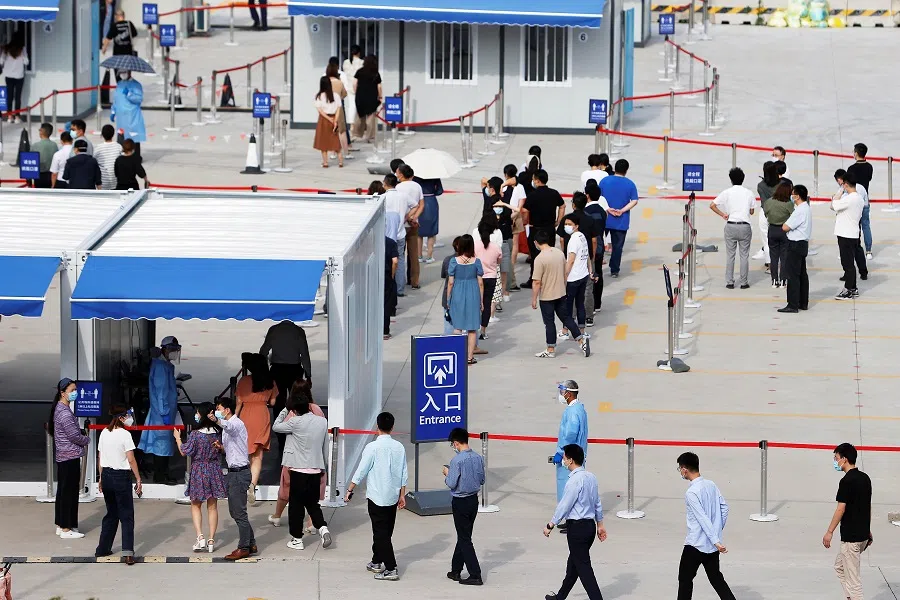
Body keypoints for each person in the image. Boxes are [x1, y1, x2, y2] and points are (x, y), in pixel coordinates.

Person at [344, 412, 408, 581]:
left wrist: (350, 489)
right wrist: (402, 495)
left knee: (380, 534)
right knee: (385, 531)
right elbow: (404, 473)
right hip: (393, 496)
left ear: (377, 427)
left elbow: (361, 470)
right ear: (392, 427)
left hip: (376, 496)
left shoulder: (372, 447)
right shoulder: (399, 447)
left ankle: (391, 568)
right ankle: (376, 561)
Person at [543, 443, 607, 600]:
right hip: (589, 527)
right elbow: (597, 502)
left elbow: (565, 505)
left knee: (583, 567)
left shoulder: (573, 481)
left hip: (577, 529)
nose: (563, 461)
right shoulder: (591, 477)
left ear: (571, 460)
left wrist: (550, 524)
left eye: (565, 458)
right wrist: (600, 525)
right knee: (573, 565)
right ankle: (560, 597)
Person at [272, 396, 332, 551]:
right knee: (313, 504)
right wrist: (323, 467)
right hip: (315, 469)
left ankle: (297, 539)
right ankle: (323, 528)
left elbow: (276, 427)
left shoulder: (294, 421)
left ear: (295, 409)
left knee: (296, 507)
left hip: (298, 470)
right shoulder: (322, 422)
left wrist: (285, 409)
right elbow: (325, 446)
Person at [676, 452, 736, 600]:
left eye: (680, 469)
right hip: (712, 546)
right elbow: (724, 508)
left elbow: (702, 518)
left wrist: (715, 539)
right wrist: (716, 535)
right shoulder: (711, 484)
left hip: (695, 544)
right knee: (716, 579)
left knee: (685, 580)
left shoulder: (691, 492)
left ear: (684, 469)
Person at [267, 382, 327, 529]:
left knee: (286, 490)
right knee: (313, 496)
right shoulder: (318, 411)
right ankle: (312, 523)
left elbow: (278, 427)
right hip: (314, 460)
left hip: (294, 460)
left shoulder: (293, 413)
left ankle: (278, 516)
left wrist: (286, 409)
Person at [174, 401, 226, 554]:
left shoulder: (195, 435)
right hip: (214, 469)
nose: (196, 415)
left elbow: (185, 451)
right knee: (213, 506)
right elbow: (223, 449)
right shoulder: (218, 432)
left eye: (197, 412)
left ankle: (200, 537)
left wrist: (178, 438)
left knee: (196, 505)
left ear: (202, 414)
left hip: (198, 470)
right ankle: (211, 540)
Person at [209, 397, 258, 560]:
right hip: (233, 472)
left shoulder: (235, 423)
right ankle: (250, 542)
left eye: (219, 408)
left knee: (239, 512)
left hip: (239, 473)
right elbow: (233, 447)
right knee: (236, 511)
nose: (218, 411)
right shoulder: (230, 426)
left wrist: (216, 420)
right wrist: (221, 448)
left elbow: (228, 426)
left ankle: (243, 547)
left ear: (227, 410)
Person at [531, 229, 590, 359]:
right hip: (561, 293)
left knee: (549, 323)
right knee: (567, 318)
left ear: (536, 242)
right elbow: (565, 271)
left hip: (547, 296)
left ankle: (550, 349)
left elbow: (536, 282)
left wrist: (534, 299)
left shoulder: (539, 259)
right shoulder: (559, 253)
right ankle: (581, 341)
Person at [824, 443, 872, 600]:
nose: (835, 461)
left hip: (851, 539)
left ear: (844, 459)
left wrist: (829, 532)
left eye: (836, 458)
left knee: (853, 581)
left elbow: (840, 509)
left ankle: (854, 597)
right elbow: (867, 506)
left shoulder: (846, 482)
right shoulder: (865, 479)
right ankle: (850, 597)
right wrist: (868, 529)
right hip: (863, 536)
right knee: (840, 567)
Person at [95, 404, 140, 565]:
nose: (129, 419)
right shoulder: (125, 435)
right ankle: (128, 552)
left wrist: (101, 477)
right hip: (121, 477)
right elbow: (131, 459)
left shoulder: (104, 433)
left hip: (106, 475)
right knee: (126, 515)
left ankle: (103, 548)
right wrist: (138, 479)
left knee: (111, 514)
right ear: (121, 418)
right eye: (127, 416)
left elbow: (100, 458)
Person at [260, 320, 312, 458]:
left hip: (277, 369)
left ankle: (280, 433)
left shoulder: (274, 329)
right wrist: (308, 375)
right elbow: (305, 354)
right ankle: (297, 428)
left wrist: (263, 370)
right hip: (294, 369)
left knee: (278, 401)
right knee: (297, 400)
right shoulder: (298, 331)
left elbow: (263, 351)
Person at [49, 378, 89, 539]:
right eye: (72, 390)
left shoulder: (61, 408)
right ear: (63, 393)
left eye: (75, 390)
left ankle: (62, 524)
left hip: (64, 456)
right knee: (69, 493)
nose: (75, 393)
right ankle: (66, 528)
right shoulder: (64, 412)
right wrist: (87, 439)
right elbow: (74, 436)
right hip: (69, 456)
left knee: (64, 491)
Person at [444, 427, 485, 586]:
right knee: (464, 535)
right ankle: (455, 569)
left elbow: (451, 483)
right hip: (473, 501)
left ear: (455, 443)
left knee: (465, 538)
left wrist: (447, 473)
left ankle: (475, 573)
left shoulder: (456, 461)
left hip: (460, 501)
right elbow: (482, 480)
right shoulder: (477, 458)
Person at [138, 335, 180, 484]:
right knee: (162, 445)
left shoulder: (165, 365)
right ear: (166, 349)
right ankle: (160, 475)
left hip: (166, 411)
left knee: (165, 444)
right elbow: (161, 393)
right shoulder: (161, 367)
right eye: (173, 349)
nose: (175, 352)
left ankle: (164, 473)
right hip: (162, 413)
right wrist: (164, 412)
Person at [236, 353, 278, 503]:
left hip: (246, 414)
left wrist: (233, 420)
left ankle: (244, 480)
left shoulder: (243, 381)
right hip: (262, 415)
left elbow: (239, 402)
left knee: (245, 450)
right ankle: (253, 484)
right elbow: (273, 402)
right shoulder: (270, 381)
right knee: (258, 454)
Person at [710, 168, 756, 289]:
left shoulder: (726, 192)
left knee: (730, 255)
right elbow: (751, 211)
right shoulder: (749, 193)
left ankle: (730, 282)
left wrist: (723, 214)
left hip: (731, 225)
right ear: (743, 178)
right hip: (745, 226)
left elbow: (712, 205)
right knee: (744, 255)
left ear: (731, 179)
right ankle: (744, 282)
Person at [552, 380, 589, 534]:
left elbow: (571, 434)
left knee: (570, 489)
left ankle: (574, 522)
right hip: (574, 454)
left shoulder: (573, 412)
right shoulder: (578, 409)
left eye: (562, 390)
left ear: (569, 392)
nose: (561, 394)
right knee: (570, 488)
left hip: (570, 456)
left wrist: (562, 452)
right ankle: (569, 520)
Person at [557, 201, 596, 332]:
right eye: (566, 224)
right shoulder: (582, 237)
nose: (567, 226)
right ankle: (582, 330)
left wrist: (564, 276)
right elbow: (588, 256)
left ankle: (565, 330)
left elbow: (571, 261)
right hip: (583, 276)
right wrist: (590, 272)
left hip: (573, 278)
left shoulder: (573, 240)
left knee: (567, 305)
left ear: (576, 226)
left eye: (570, 224)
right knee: (580, 304)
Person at [521, 169, 565, 286]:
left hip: (536, 229)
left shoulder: (532, 195)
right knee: (549, 254)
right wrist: (558, 221)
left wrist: (525, 222)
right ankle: (548, 279)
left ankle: (534, 279)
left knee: (536, 256)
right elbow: (562, 206)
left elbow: (525, 210)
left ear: (537, 180)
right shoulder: (554, 193)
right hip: (550, 229)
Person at [446, 234, 484, 364]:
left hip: (458, 293)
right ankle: (469, 357)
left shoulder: (453, 261)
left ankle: (457, 354)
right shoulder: (477, 262)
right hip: (473, 292)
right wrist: (482, 300)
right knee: (472, 328)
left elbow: (450, 283)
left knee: (458, 326)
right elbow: (480, 283)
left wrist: (448, 299)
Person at [598, 159, 639, 278]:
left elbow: (599, 198)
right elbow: (634, 200)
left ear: (615, 168)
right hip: (621, 219)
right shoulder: (630, 184)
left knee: (599, 243)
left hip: (605, 217)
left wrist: (608, 209)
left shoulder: (604, 181)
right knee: (617, 247)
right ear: (626, 170)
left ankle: (597, 266)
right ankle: (614, 270)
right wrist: (622, 210)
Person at [383, 173, 421, 297]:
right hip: (400, 233)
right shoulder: (403, 196)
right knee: (400, 260)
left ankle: (388, 286)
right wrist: (407, 216)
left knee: (387, 262)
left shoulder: (383, 198)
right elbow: (416, 205)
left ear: (385, 184)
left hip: (387, 235)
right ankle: (399, 289)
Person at [832, 174, 867, 300]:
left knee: (847, 264)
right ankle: (853, 288)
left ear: (846, 184)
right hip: (852, 233)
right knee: (849, 262)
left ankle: (848, 289)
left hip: (846, 234)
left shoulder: (850, 198)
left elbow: (833, 204)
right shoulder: (858, 198)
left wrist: (840, 192)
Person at [779, 185, 812, 313]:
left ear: (797, 196)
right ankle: (803, 302)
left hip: (795, 244)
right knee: (802, 274)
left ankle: (792, 304)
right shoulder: (806, 208)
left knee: (792, 275)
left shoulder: (799, 210)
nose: (791, 196)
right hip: (803, 244)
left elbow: (785, 227)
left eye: (793, 194)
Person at [483, 176, 517, 299]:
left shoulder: (490, 202)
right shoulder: (504, 197)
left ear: (491, 188)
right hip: (504, 239)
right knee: (504, 269)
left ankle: (501, 293)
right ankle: (504, 292)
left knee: (499, 269)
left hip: (499, 241)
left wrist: (501, 187)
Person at [834, 169, 870, 278]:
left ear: (841, 180)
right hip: (857, 218)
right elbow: (866, 203)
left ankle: (849, 276)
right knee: (857, 247)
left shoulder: (846, 192)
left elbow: (835, 205)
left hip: (848, 224)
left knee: (847, 254)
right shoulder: (861, 188)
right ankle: (863, 271)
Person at [474, 216, 502, 344]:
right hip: (491, 278)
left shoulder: (475, 246)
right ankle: (483, 331)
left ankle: (472, 329)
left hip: (477, 278)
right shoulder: (496, 247)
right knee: (487, 303)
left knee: (475, 304)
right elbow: (498, 261)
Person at [396, 163, 424, 287]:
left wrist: (407, 217)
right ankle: (414, 281)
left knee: (400, 255)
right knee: (413, 255)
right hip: (414, 224)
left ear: (401, 174)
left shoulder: (398, 187)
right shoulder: (417, 186)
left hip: (401, 225)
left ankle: (399, 281)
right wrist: (414, 217)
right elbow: (421, 204)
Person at [583, 181, 608, 318]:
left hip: (591, 247)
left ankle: (590, 306)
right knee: (599, 274)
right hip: (600, 247)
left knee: (590, 277)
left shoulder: (587, 212)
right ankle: (597, 303)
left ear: (587, 195)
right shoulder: (602, 212)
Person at [763, 181, 794, 288]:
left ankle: (774, 280)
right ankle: (783, 280)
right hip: (784, 230)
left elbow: (765, 213)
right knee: (784, 257)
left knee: (774, 257)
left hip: (772, 229)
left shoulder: (769, 202)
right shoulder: (788, 204)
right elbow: (793, 216)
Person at [503, 164, 528, 291]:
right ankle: (512, 263)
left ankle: (510, 266)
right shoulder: (520, 187)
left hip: (508, 215)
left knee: (509, 243)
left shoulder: (504, 187)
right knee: (515, 242)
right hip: (516, 214)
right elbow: (522, 201)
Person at [110, 71, 147, 157]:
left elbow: (139, 99)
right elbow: (116, 99)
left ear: (129, 72)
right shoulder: (119, 84)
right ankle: (122, 156)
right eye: (121, 72)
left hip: (132, 116)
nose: (122, 74)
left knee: (133, 137)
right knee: (121, 137)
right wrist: (113, 111)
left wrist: (129, 94)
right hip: (121, 117)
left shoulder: (136, 85)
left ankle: (136, 157)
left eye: (124, 72)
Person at [753, 161, 780, 266]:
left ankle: (769, 262)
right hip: (779, 212)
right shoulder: (781, 184)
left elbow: (764, 202)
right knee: (779, 240)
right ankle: (779, 262)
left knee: (766, 239)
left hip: (766, 213)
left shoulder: (761, 185)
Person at [313, 76, 343, 168]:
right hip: (334, 118)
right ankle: (341, 162)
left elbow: (320, 111)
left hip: (323, 120)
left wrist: (328, 119)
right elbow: (338, 109)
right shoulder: (336, 95)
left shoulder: (319, 96)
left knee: (323, 142)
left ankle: (325, 162)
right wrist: (335, 120)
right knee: (335, 141)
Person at [353, 54, 382, 143]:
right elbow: (379, 87)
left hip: (360, 96)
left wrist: (356, 93)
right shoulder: (376, 73)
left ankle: (356, 135)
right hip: (372, 97)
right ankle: (369, 136)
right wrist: (380, 96)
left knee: (359, 116)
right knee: (370, 117)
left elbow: (354, 84)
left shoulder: (359, 71)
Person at [417, 176, 445, 264]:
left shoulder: (416, 176)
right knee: (431, 230)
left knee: (419, 231)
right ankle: (429, 256)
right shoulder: (434, 175)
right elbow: (440, 190)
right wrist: (433, 192)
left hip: (419, 202)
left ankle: (419, 256)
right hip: (431, 200)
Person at [326, 59, 350, 157]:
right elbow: (344, 94)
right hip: (338, 107)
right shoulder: (339, 82)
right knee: (342, 130)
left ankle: (332, 152)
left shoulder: (324, 80)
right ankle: (346, 152)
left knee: (331, 130)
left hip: (327, 107)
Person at [1, 43, 28, 123]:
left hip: (8, 75)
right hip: (19, 75)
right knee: (17, 96)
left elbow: (1, 61)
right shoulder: (22, 49)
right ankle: (17, 116)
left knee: (9, 96)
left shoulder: (6, 49)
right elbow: (26, 62)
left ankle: (9, 116)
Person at [441, 237, 462, 335]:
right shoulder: (471, 261)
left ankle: (449, 347)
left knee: (448, 325)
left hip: (447, 297)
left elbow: (444, 276)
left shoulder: (447, 260)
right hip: (462, 297)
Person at [93, 124, 122, 190]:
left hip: (102, 183)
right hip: (116, 181)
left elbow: (93, 161)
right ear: (113, 134)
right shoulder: (118, 147)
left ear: (102, 135)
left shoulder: (98, 148)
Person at [30, 123, 58, 189]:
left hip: (38, 176)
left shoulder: (35, 146)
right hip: (51, 175)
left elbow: (31, 163)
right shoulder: (54, 145)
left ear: (41, 131)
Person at [342, 45, 364, 127]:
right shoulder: (362, 63)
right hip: (360, 87)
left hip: (349, 87)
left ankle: (352, 125)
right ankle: (359, 126)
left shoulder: (345, 62)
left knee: (351, 106)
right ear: (359, 53)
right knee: (359, 106)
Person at [384, 231, 399, 340]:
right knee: (387, 303)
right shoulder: (390, 242)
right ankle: (385, 331)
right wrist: (392, 274)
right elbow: (395, 261)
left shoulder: (371, 242)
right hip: (387, 276)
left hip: (373, 276)